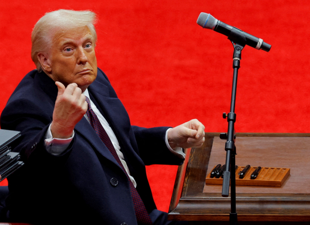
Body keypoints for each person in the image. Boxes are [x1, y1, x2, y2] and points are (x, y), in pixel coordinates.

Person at [0, 9, 205, 225]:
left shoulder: (94, 81)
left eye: (87, 45)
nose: (83, 58)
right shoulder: (24, 106)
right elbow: (26, 184)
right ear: (45, 60)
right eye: (69, 49)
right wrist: (59, 129)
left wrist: (169, 138)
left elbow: (111, 142)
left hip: (143, 215)